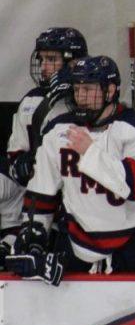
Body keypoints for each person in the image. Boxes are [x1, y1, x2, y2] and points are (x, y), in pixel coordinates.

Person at [6, 56, 135, 283]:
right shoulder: (58, 128)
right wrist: (35, 235)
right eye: (77, 90)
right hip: (74, 246)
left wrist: (90, 152)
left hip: (130, 248)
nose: (81, 97)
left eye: (88, 89)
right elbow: (42, 191)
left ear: (110, 91)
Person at [2, 28, 89, 252]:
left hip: (80, 191)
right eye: (42, 59)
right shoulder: (31, 101)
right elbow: (16, 154)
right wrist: (22, 163)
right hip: (36, 188)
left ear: (73, 62)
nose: (44, 66)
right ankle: (13, 237)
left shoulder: (90, 99)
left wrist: (72, 93)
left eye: (52, 59)